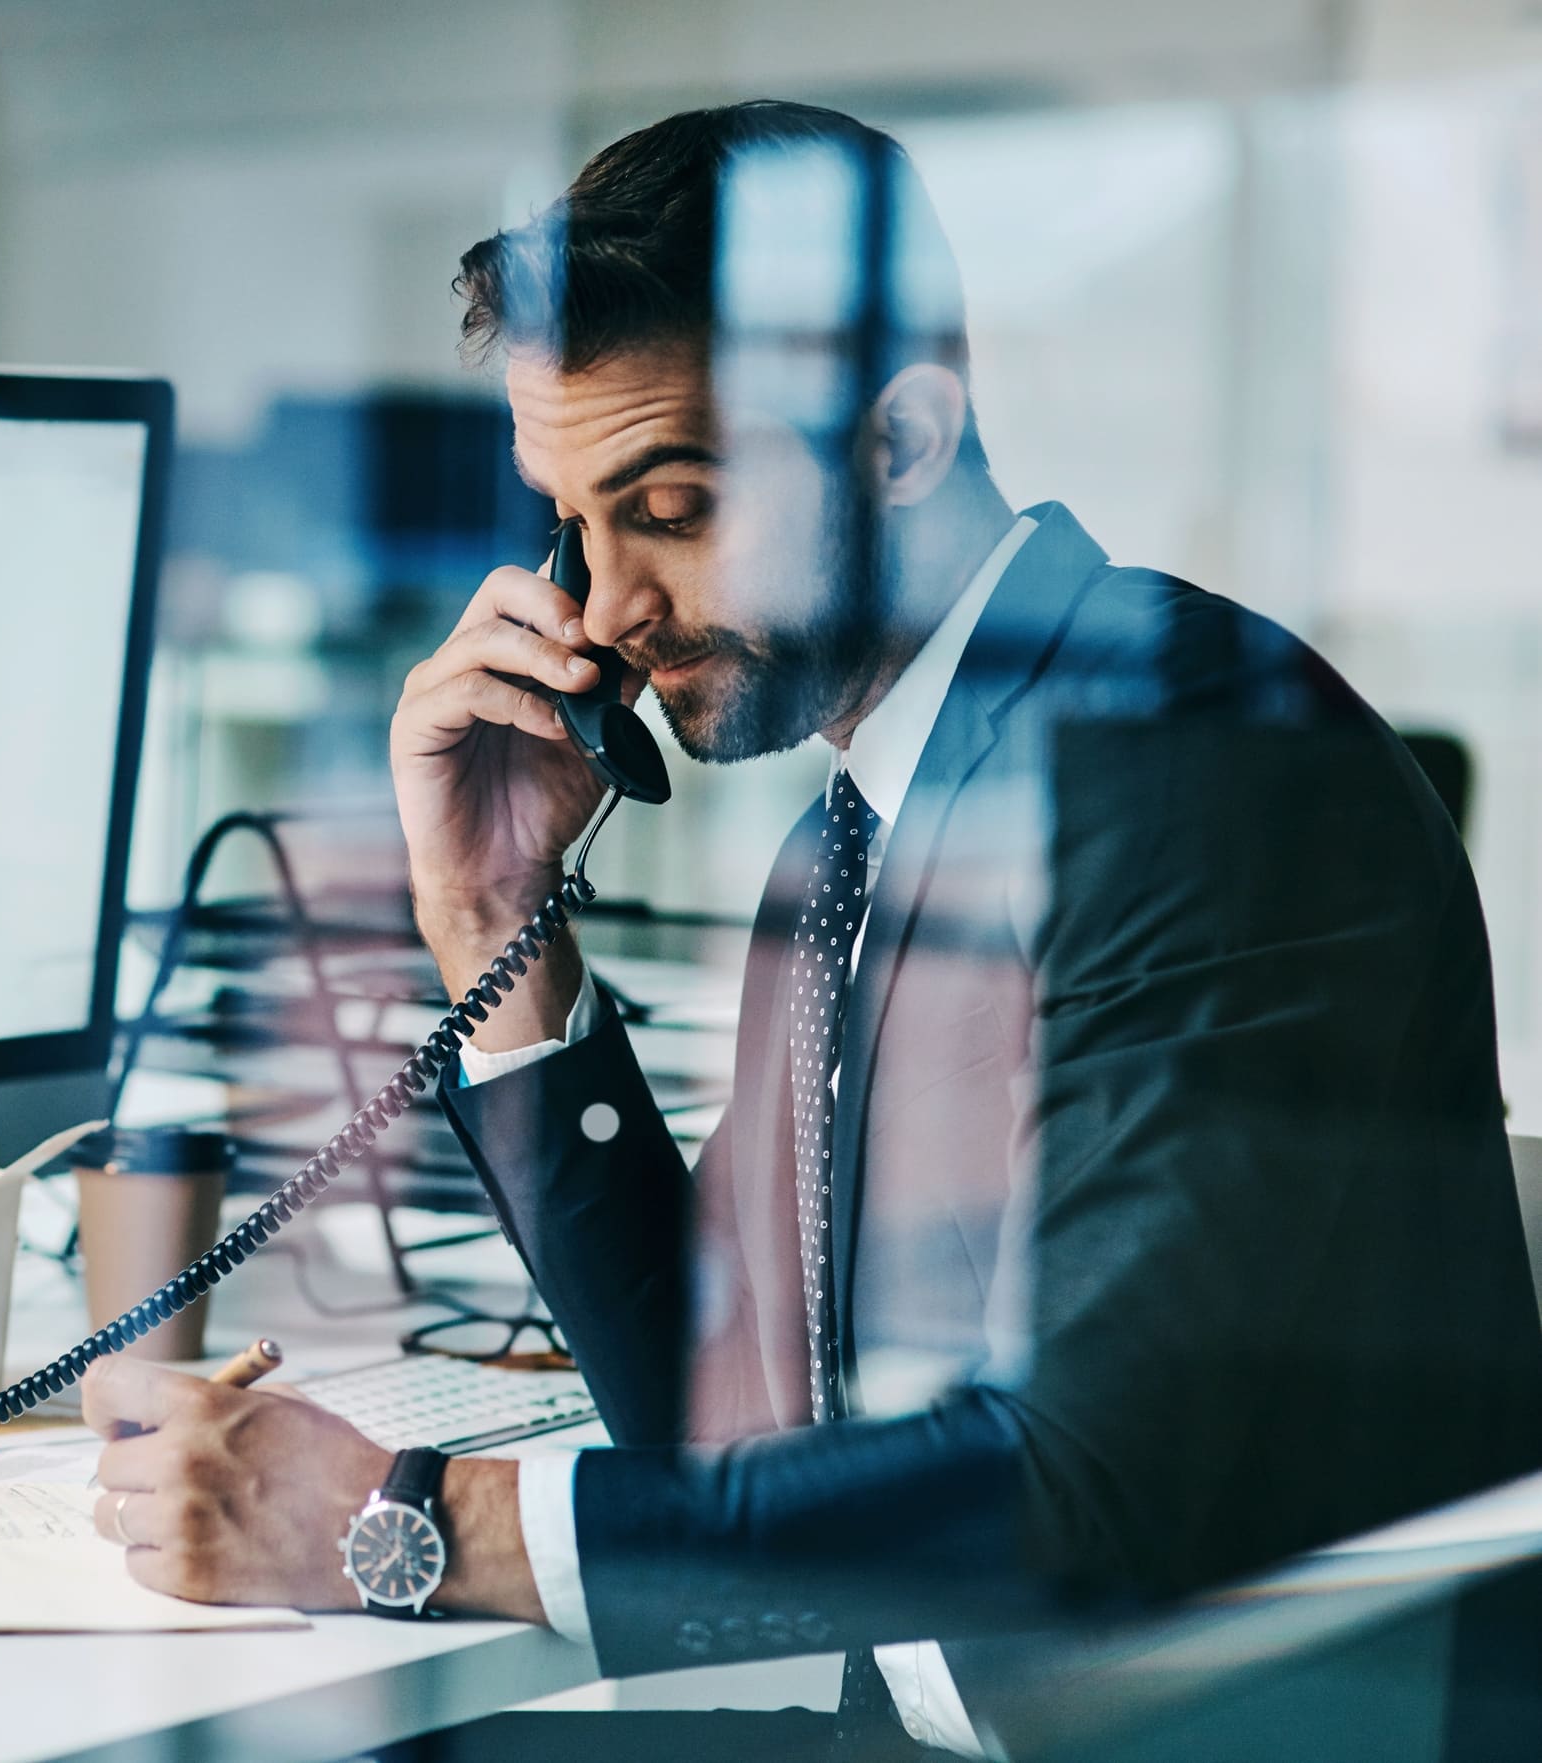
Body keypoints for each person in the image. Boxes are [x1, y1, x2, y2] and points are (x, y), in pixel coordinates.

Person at [80, 101, 1542, 1758]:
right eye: (573, 525)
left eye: (675, 506)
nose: (606, 610)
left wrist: (409, 1521)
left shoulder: (1199, 755)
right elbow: (721, 1417)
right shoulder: (843, 847)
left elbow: (1088, 1486)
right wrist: (497, 925)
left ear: (904, 445)